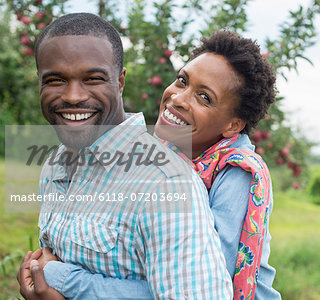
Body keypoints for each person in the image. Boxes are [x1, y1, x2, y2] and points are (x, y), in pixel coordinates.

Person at [17, 12, 233, 300]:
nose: (71, 96)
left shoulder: (164, 182)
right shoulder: (54, 165)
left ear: (119, 82)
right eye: (55, 80)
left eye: (93, 79)